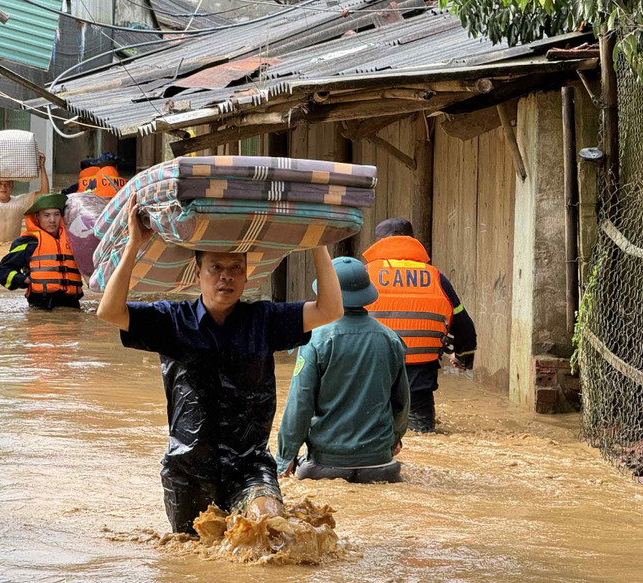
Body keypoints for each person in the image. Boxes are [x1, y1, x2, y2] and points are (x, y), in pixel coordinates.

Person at [96, 195, 344, 534]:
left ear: (246, 277)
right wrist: (134, 245)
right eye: (216, 268)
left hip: (250, 466)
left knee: (270, 527)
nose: (226, 277)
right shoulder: (173, 321)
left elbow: (330, 310)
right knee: (190, 556)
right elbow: (109, 311)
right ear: (198, 273)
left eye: (235, 269)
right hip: (188, 470)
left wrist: (318, 243)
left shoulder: (265, 319)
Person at [276, 257, 409, 483]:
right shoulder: (391, 339)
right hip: (381, 466)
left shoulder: (314, 339)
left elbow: (300, 403)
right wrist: (394, 439)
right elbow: (402, 402)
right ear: (366, 294)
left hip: (325, 466)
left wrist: (285, 457)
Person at [362, 218, 477, 433]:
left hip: (370, 378)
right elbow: (465, 329)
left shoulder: (362, 276)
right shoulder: (436, 279)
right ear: (413, 241)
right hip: (419, 383)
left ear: (377, 242)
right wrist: (462, 357)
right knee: (424, 436)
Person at [0, 193, 83, 310]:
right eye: (46, 215)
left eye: (56, 215)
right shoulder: (28, 242)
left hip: (72, 305)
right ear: (37, 217)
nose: (52, 220)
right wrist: (23, 280)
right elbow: (2, 271)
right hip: (41, 306)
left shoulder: (74, 239)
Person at [61, 153, 125, 199]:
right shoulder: (126, 183)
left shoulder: (86, 182)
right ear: (116, 166)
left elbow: (63, 194)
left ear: (98, 166)